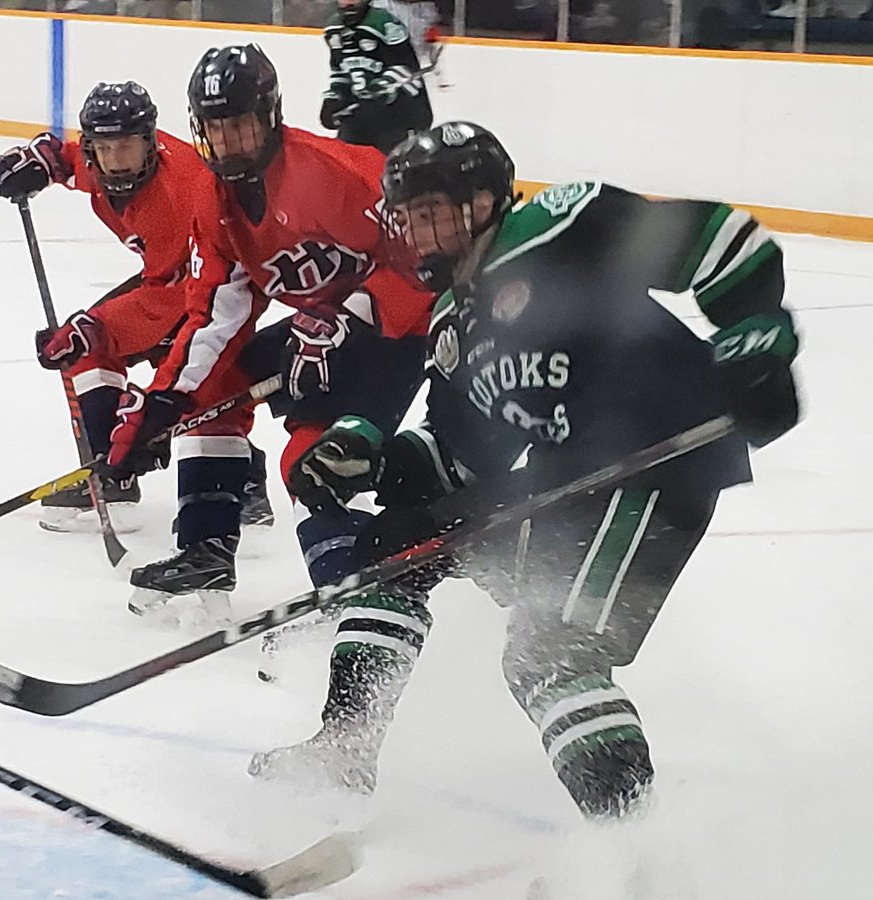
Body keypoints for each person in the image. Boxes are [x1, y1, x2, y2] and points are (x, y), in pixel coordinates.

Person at [249, 122, 801, 821]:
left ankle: (632, 849)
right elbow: (460, 453)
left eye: (434, 212)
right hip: (565, 481)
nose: (419, 233)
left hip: (658, 467)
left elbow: (717, 240)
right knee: (393, 550)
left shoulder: (554, 226)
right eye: (409, 217)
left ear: (483, 202)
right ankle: (345, 745)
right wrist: (369, 458)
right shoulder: (456, 321)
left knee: (550, 654)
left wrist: (757, 342)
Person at [108, 45, 433, 622]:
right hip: (319, 337)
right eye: (215, 127)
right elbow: (216, 314)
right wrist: (165, 401)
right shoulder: (215, 202)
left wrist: (350, 318)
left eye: (240, 124)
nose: (228, 140)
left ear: (270, 116)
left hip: (400, 336)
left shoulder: (339, 172)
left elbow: (426, 257)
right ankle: (205, 547)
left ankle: (357, 596)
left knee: (313, 463)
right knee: (214, 389)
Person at [0, 81, 274, 534]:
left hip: (209, 288)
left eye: (128, 145)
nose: (118, 158)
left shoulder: (178, 192)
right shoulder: (102, 164)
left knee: (116, 350)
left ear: (151, 143)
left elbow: (175, 293)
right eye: (106, 148)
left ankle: (227, 480)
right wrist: (43, 160)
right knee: (90, 345)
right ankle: (117, 473)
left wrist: (92, 326)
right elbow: (70, 162)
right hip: (170, 280)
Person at [320, 0, 434, 154]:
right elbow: (341, 71)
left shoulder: (385, 24)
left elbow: (406, 69)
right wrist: (333, 99)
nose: (348, 3)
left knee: (389, 172)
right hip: (358, 121)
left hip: (396, 120)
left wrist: (380, 91)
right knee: (345, 168)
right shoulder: (334, 29)